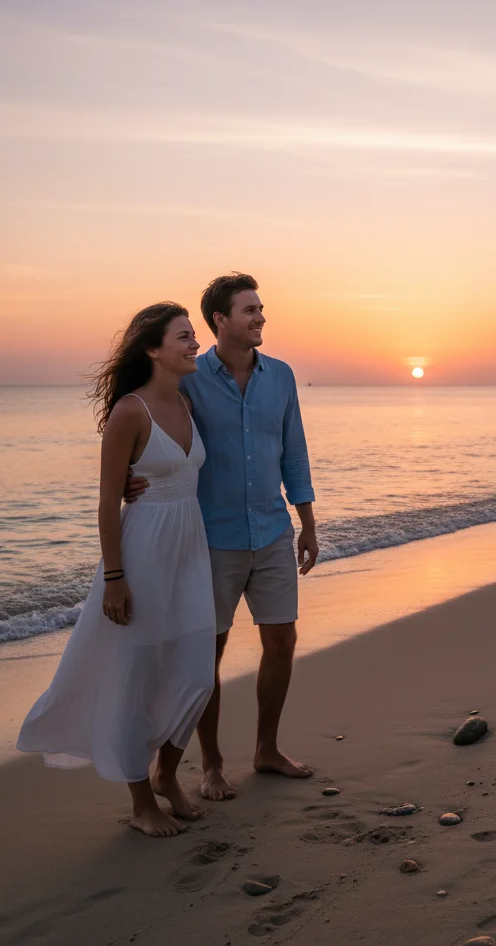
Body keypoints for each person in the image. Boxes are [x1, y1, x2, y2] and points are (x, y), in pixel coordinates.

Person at [18, 303, 216, 837]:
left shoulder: (186, 401)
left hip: (190, 551)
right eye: (184, 337)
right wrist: (114, 577)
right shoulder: (131, 412)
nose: (194, 344)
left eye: (194, 336)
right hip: (144, 551)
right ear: (153, 349)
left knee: (197, 673)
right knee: (137, 677)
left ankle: (166, 776)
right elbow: (108, 502)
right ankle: (140, 801)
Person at [127, 273, 318, 801]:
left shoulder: (281, 376)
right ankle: (210, 764)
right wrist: (127, 474)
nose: (260, 317)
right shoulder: (189, 376)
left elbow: (294, 452)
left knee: (282, 641)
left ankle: (267, 749)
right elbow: (145, 420)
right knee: (206, 654)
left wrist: (307, 522)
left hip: (274, 530)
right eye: (249, 309)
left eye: (261, 308)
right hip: (211, 538)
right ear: (220, 320)